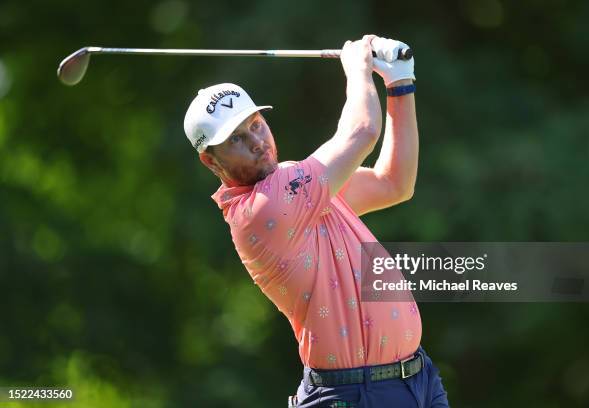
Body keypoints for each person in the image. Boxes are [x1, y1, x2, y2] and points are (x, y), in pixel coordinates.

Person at [183, 34, 449, 407]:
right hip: (356, 394)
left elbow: (394, 184)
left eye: (256, 124)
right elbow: (361, 133)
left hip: (419, 380)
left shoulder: (297, 183)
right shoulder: (263, 209)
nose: (257, 141)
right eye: (237, 139)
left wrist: (400, 84)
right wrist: (357, 67)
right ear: (211, 161)